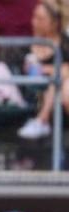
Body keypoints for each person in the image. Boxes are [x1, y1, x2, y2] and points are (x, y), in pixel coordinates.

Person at [16, 1, 69, 140]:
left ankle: (42, 120)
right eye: (34, 17)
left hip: (61, 96)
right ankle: (42, 120)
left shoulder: (65, 44)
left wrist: (47, 69)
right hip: (32, 95)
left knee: (61, 76)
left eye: (40, 19)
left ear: (54, 23)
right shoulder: (24, 46)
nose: (34, 22)